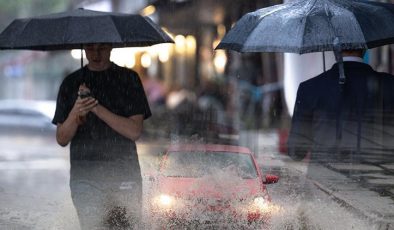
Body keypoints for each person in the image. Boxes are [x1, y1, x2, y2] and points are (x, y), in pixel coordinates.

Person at [52, 43, 151, 229]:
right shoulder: (71, 83)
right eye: (90, 49)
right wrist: (77, 110)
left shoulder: (128, 79)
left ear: (111, 47)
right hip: (85, 176)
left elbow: (134, 131)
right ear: (83, 49)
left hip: (123, 172)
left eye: (102, 48)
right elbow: (62, 138)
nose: (96, 54)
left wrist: (96, 107)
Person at [287, 48, 394, 167]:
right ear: (364, 47)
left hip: (325, 183)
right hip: (378, 180)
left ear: (335, 48)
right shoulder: (390, 85)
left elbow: (296, 151)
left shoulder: (309, 88)